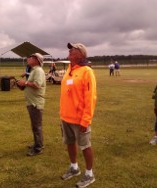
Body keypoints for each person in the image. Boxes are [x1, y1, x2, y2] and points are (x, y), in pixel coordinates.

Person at [60, 43, 97, 188]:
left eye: (73, 49)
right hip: (66, 116)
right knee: (69, 143)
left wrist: (86, 119)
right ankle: (74, 168)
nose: (70, 50)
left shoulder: (86, 71)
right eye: (69, 49)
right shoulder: (70, 69)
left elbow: (91, 97)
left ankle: (89, 174)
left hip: (80, 118)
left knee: (85, 146)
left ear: (81, 54)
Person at [17, 53, 46, 156]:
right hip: (32, 102)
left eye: (31, 57)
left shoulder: (38, 70)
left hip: (35, 103)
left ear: (37, 60)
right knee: (36, 126)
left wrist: (24, 83)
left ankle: (38, 148)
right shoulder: (34, 70)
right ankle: (39, 144)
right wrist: (22, 84)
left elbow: (37, 85)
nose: (28, 59)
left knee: (36, 126)